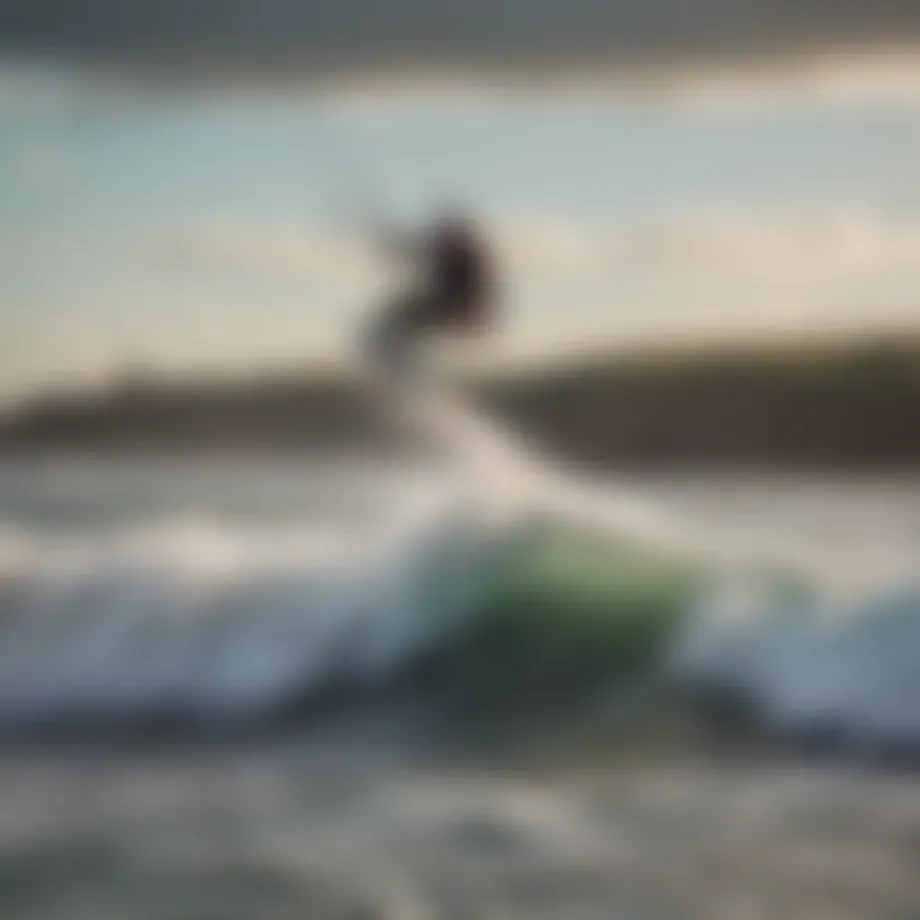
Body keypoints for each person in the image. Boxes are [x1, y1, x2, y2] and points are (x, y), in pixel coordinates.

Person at [361, 210, 496, 378]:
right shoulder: (453, 254)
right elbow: (415, 250)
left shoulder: (457, 256)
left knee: (397, 321)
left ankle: (403, 368)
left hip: (458, 307)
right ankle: (402, 364)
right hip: (455, 306)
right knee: (398, 320)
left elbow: (417, 250)